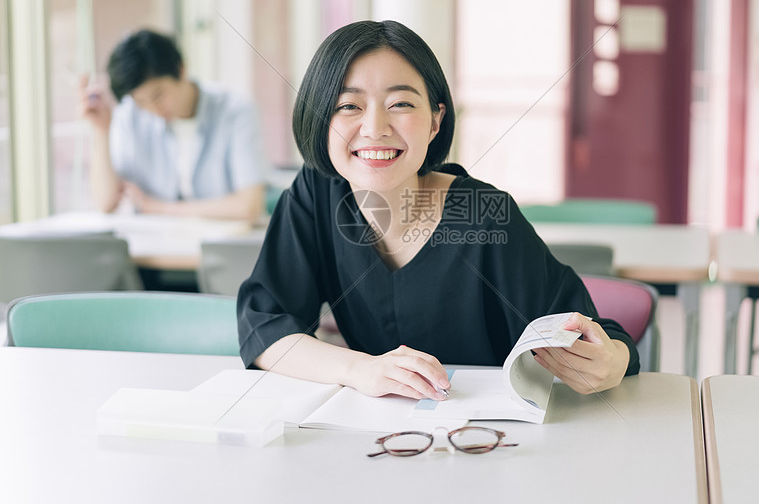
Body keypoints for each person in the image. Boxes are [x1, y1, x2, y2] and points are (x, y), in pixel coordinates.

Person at [238, 20, 639, 402]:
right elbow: (264, 327)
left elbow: (593, 334)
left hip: (484, 438)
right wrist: (359, 370)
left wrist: (611, 361)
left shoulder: (482, 214)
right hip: (373, 439)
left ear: (435, 121)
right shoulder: (315, 194)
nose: (375, 127)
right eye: (348, 106)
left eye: (400, 104)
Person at [79, 29, 265, 221]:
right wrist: (102, 130)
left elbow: (249, 206)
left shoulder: (235, 110)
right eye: (141, 102)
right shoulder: (131, 115)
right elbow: (105, 203)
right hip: (154, 246)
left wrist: (157, 207)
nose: (153, 109)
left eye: (158, 95)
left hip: (217, 246)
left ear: (181, 70)